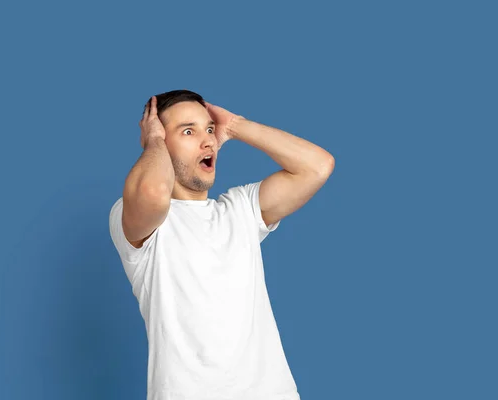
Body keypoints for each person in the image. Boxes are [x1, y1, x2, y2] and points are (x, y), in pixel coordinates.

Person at [109, 89, 334, 400]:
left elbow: (317, 166)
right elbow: (152, 192)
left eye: (209, 129)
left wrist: (234, 126)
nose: (208, 141)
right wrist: (154, 141)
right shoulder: (139, 218)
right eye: (188, 130)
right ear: (158, 137)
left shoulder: (240, 209)